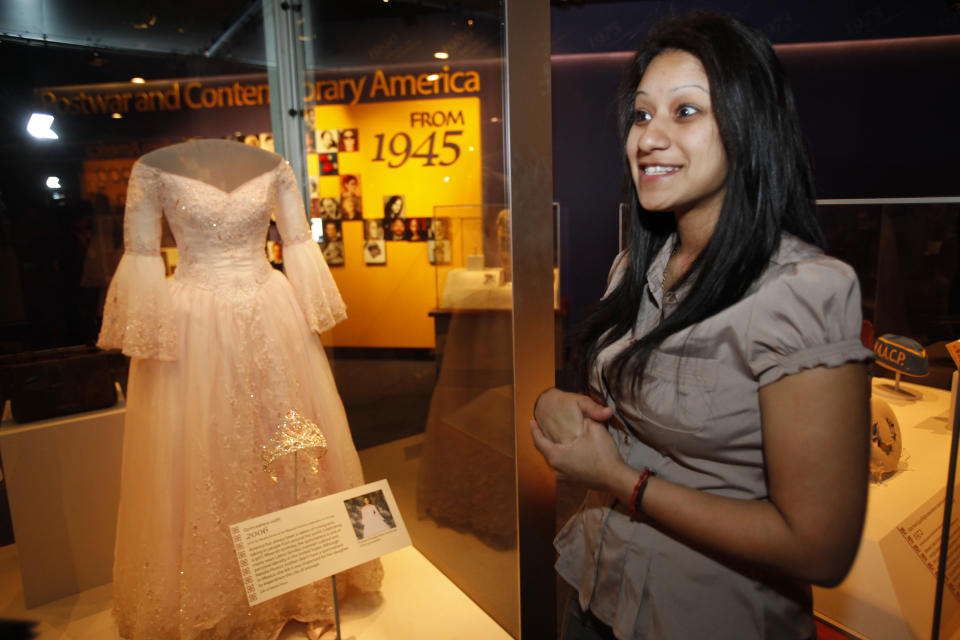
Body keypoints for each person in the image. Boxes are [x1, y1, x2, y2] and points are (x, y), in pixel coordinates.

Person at [530, 12, 873, 640]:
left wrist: (618, 480)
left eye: (685, 111)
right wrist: (560, 405)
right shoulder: (635, 266)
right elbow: (626, 411)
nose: (648, 138)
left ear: (748, 127)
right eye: (641, 114)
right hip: (598, 596)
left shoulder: (803, 291)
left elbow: (819, 549)